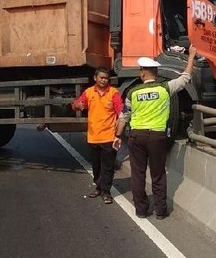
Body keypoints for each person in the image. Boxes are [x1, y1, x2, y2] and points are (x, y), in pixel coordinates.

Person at [113, 45, 197, 219]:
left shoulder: (132, 92)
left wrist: (117, 136)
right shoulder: (165, 88)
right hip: (157, 137)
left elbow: (124, 116)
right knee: (158, 174)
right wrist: (191, 57)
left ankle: (141, 211)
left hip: (136, 136)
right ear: (156, 73)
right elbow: (185, 78)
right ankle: (160, 211)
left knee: (138, 174)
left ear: (143, 73)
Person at [72, 67, 123, 205]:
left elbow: (120, 111)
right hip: (93, 137)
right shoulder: (89, 92)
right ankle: (99, 187)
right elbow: (76, 104)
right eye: (101, 77)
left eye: (106, 78)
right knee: (96, 166)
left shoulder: (113, 93)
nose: (103, 80)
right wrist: (78, 106)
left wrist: (119, 133)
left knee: (108, 166)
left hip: (109, 137)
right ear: (95, 78)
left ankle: (106, 192)